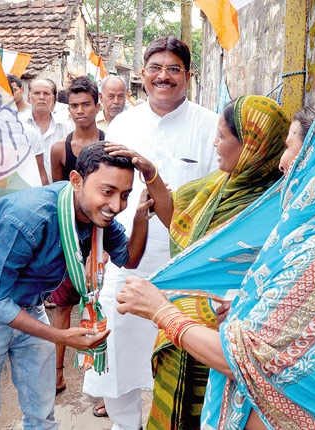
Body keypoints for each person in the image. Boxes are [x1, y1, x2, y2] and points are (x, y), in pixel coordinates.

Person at [114, 101, 315, 429]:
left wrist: (160, 311)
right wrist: (243, 308)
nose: (282, 163)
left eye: (290, 147)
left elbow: (244, 358)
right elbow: (290, 325)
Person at [112, 94, 290, 429]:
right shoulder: (216, 187)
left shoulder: (278, 207)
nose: (214, 144)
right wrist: (151, 175)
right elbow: (180, 225)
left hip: (229, 346)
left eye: (223, 137)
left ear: (251, 145)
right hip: (183, 332)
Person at [0, 141, 148, 430]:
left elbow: (128, 259)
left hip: (28, 306)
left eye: (125, 195)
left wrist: (142, 218)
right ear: (77, 180)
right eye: (108, 191)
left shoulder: (95, 214)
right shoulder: (29, 216)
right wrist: (61, 336)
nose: (116, 206)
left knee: (43, 416)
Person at [82, 35, 219, 427]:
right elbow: (99, 193)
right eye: (156, 68)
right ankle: (126, 423)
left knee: (182, 352)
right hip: (126, 261)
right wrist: (96, 252)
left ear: (188, 76)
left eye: (174, 69)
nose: (164, 76)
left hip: (187, 267)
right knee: (118, 352)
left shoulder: (209, 126)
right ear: (142, 75)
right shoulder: (123, 124)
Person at [49, 76, 105, 394]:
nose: (80, 111)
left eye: (86, 104)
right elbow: (57, 198)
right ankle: (57, 372)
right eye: (74, 105)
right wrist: (64, 250)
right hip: (69, 241)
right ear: (67, 109)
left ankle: (99, 382)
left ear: (97, 105)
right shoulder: (60, 149)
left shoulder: (111, 143)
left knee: (101, 307)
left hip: (102, 240)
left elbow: (116, 199)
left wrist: (105, 248)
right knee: (63, 308)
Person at [19, 78, 73, 184]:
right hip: (25, 191)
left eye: (46, 94)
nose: (41, 97)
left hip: (58, 190)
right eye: (37, 93)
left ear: (52, 99)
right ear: (29, 98)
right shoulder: (19, 126)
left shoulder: (65, 126)